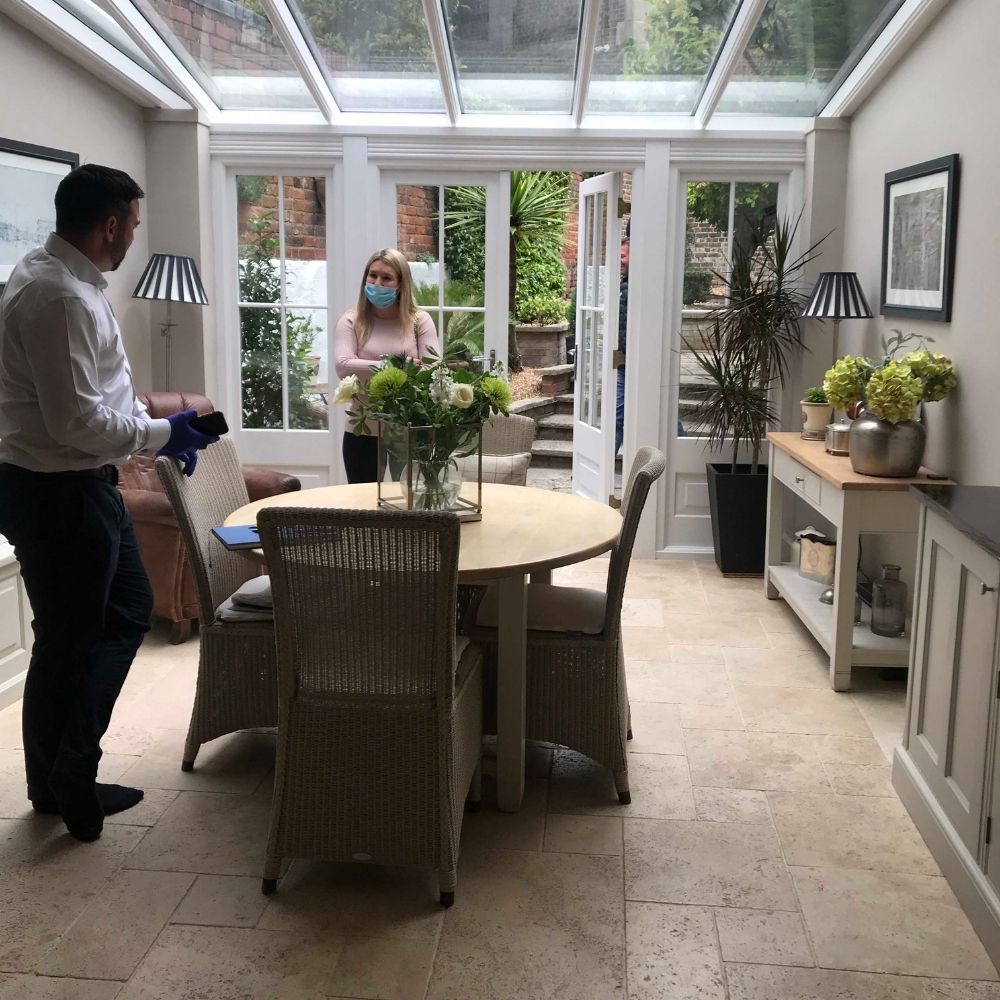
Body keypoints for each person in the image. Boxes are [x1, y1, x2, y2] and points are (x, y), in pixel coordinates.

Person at [0, 164, 218, 842]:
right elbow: (75, 422)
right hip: (58, 489)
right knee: (86, 633)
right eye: (133, 225)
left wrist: (155, 442)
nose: (133, 237)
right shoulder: (56, 297)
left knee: (95, 627)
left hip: (76, 483)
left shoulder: (55, 278)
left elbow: (92, 400)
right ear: (111, 225)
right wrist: (163, 430)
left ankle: (53, 780)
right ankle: (69, 773)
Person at [333, 248, 439, 483]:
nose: (377, 283)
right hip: (362, 430)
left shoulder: (419, 321)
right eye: (373, 275)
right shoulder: (352, 320)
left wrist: (365, 365)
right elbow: (343, 365)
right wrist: (398, 365)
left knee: (411, 505)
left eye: (387, 278)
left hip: (410, 428)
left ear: (401, 284)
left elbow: (433, 369)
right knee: (363, 507)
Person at [614, 225, 629, 458]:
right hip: (623, 364)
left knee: (615, 417)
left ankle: (601, 467)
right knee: (615, 417)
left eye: (624, 256)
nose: (620, 261)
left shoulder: (633, 288)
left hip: (630, 365)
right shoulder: (624, 286)